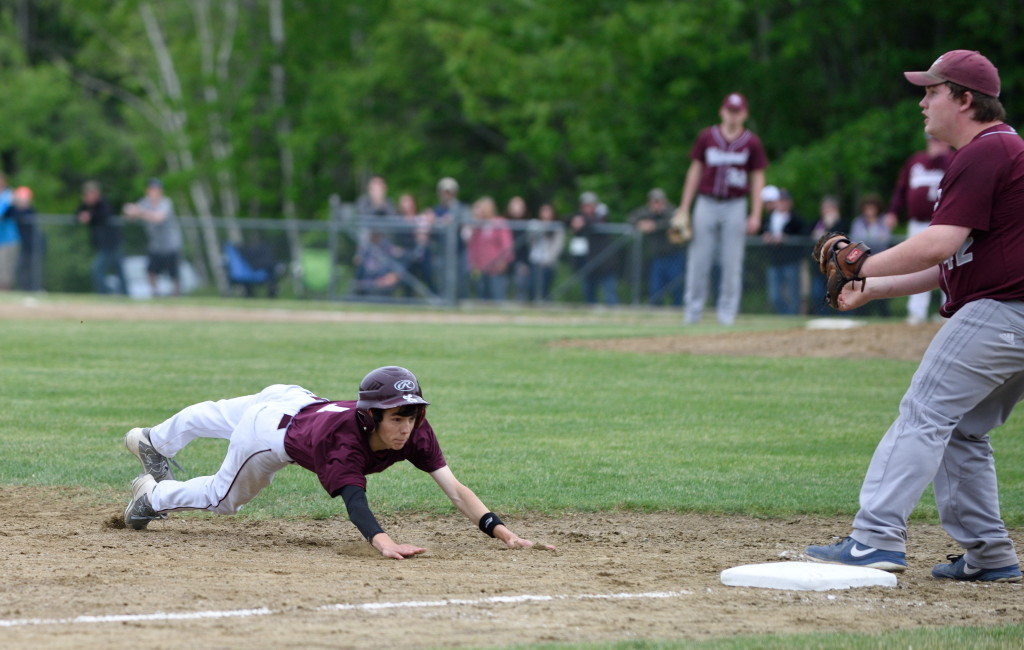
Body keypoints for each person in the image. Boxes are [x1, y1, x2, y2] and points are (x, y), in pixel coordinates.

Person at [805, 50, 1023, 583]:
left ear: (965, 99)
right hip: (1012, 316)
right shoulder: (1001, 151)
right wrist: (870, 286)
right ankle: (989, 554)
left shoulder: (986, 151)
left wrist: (860, 261)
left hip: (999, 312)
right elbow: (948, 262)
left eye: (933, 90)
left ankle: (874, 537)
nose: (922, 102)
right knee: (963, 429)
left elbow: (937, 243)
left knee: (923, 413)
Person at [122, 366, 553, 559]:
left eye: (411, 414)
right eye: (397, 416)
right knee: (223, 497)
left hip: (294, 398)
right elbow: (355, 502)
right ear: (371, 416)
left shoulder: (416, 430)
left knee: (216, 412)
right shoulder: (344, 443)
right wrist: (384, 543)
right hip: (267, 436)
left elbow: (456, 490)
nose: (406, 426)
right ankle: (153, 495)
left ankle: (153, 439)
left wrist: (502, 532)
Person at [678, 92, 768, 325]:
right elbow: (694, 171)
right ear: (722, 111)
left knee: (732, 262)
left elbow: (758, 178)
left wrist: (756, 213)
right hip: (706, 202)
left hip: (735, 205)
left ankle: (726, 316)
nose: (733, 115)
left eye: (737, 111)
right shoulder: (707, 137)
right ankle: (692, 314)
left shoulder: (751, 142)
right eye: (730, 110)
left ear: (745, 114)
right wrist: (684, 207)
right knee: (699, 260)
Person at [884, 134, 954, 324]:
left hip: (943, 223)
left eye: (938, 139)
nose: (934, 144)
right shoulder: (916, 161)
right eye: (931, 140)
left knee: (947, 265)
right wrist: (893, 212)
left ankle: (948, 310)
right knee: (915, 266)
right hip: (917, 223)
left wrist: (942, 155)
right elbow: (901, 189)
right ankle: (916, 312)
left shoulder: (952, 160)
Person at [123, 178, 183, 297]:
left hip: (170, 244)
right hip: (155, 245)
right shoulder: (144, 202)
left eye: (156, 190)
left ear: (161, 191)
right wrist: (128, 210)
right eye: (152, 189)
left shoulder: (166, 203)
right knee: (150, 271)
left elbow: (158, 218)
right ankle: (156, 293)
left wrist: (139, 212)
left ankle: (176, 296)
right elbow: (131, 216)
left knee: (174, 274)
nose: (154, 192)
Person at [629, 188, 684, 306]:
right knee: (655, 289)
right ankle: (656, 312)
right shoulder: (647, 213)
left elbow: (674, 222)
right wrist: (641, 224)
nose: (657, 205)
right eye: (654, 202)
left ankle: (678, 310)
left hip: (674, 255)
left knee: (676, 288)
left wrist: (655, 226)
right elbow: (631, 218)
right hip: (657, 258)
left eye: (659, 202)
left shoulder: (671, 211)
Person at [759, 188, 805, 315]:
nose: (781, 203)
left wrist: (787, 238)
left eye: (784, 201)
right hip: (774, 261)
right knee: (774, 295)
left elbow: (803, 234)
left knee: (793, 293)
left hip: (791, 261)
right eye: (779, 200)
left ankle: (793, 317)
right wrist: (766, 236)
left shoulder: (795, 218)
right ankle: (784, 315)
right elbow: (762, 231)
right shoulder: (769, 218)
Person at [77, 180, 128, 295]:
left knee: (99, 269)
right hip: (103, 246)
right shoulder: (87, 206)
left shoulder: (103, 203)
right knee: (118, 271)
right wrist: (82, 216)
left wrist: (90, 216)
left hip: (112, 244)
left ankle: (106, 292)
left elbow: (105, 214)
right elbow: (77, 214)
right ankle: (120, 293)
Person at [569, 191, 619, 306]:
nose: (587, 208)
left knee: (610, 294)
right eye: (585, 206)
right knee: (589, 295)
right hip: (589, 263)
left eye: (590, 205)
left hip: (605, 263)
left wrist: (583, 221)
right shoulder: (580, 218)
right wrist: (576, 222)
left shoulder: (601, 216)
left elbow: (597, 222)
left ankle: (615, 317)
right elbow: (567, 220)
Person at [849, 193, 892, 317]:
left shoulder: (883, 221)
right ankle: (861, 315)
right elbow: (855, 241)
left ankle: (884, 316)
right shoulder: (858, 222)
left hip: (880, 260)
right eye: (867, 208)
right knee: (861, 287)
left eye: (872, 208)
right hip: (862, 261)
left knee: (881, 288)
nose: (869, 211)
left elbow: (884, 240)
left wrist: (868, 241)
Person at [465, 196, 513, 300]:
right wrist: (473, 262)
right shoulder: (478, 225)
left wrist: (504, 261)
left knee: (497, 296)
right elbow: (473, 245)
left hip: (496, 267)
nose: (483, 211)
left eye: (485, 208)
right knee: (482, 297)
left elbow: (507, 244)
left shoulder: (500, 222)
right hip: (481, 268)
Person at [808, 195, 849, 315]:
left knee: (841, 294)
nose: (826, 211)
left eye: (829, 208)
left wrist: (829, 227)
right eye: (824, 208)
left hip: (839, 268)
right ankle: (822, 316)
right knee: (818, 294)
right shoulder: (818, 222)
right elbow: (808, 234)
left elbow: (840, 238)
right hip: (821, 268)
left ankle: (844, 317)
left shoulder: (842, 223)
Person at [526, 203, 565, 301]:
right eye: (543, 211)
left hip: (548, 263)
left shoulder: (556, 227)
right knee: (532, 286)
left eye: (548, 211)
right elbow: (529, 241)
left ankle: (545, 305)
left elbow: (558, 246)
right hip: (535, 260)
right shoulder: (535, 225)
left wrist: (549, 260)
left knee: (545, 288)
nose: (545, 213)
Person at [11, 186, 43, 292]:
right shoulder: (13, 210)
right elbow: (8, 213)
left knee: (32, 268)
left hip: (32, 244)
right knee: (21, 268)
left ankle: (32, 288)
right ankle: (24, 288)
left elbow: (26, 215)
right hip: (20, 244)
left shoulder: (30, 211)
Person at [505, 196, 532, 302]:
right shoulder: (505, 223)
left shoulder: (527, 225)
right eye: (514, 206)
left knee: (520, 288)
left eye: (519, 206)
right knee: (505, 287)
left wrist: (525, 263)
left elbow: (528, 247)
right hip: (506, 262)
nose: (516, 209)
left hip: (521, 262)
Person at [0, 174, 17, 291]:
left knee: (5, 270)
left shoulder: (9, 195)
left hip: (8, 239)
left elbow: (2, 211)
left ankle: (5, 293)